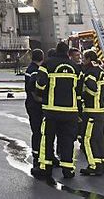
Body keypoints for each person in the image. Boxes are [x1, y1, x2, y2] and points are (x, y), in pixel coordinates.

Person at [33, 41, 80, 180]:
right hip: (70, 111)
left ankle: (45, 168)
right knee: (67, 141)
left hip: (51, 110)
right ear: (67, 53)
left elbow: (40, 84)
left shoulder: (47, 64)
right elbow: (78, 89)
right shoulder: (75, 67)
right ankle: (68, 169)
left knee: (47, 139)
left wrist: (40, 94)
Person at [78, 49, 104, 176]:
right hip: (102, 110)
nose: (82, 60)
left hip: (91, 111)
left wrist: (84, 94)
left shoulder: (90, 73)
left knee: (88, 139)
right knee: (100, 137)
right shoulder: (101, 72)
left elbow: (92, 88)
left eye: (83, 58)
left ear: (88, 59)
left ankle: (94, 165)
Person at [23, 48, 45, 173]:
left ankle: (39, 155)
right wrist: (41, 100)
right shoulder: (35, 71)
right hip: (35, 106)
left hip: (31, 104)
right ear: (42, 58)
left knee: (37, 132)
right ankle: (38, 157)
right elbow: (34, 90)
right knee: (38, 132)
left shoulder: (30, 69)